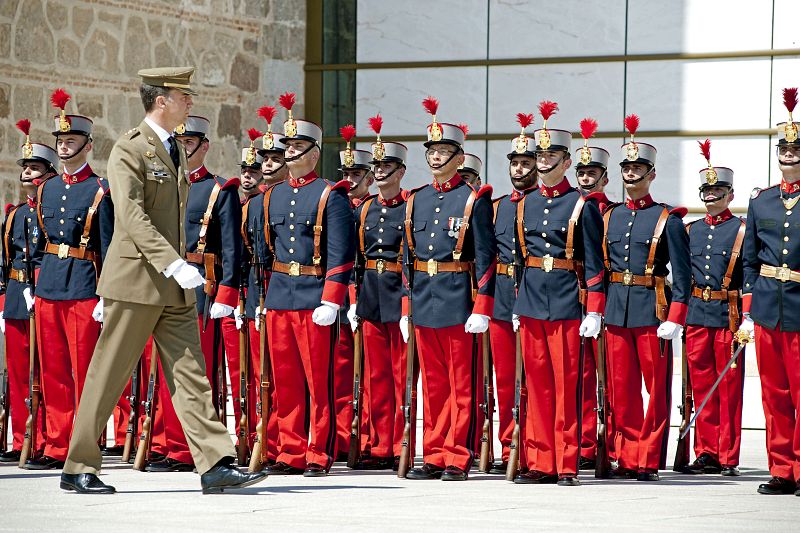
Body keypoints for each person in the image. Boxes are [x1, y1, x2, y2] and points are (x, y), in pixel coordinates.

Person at [60, 66, 266, 494]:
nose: (190, 102)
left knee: (191, 373)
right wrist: (173, 263)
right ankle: (78, 464)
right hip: (137, 280)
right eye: (182, 95)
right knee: (108, 374)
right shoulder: (129, 149)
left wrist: (176, 270)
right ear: (160, 100)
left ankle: (215, 463)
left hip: (173, 285)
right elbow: (131, 216)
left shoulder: (173, 148)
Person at [511, 103, 605, 486]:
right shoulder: (525, 204)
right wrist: (517, 303)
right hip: (532, 300)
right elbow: (519, 258)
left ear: (567, 162)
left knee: (567, 384)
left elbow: (596, 264)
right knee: (536, 386)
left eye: (551, 156)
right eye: (540, 155)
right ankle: (539, 461)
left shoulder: (582, 205)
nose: (544, 162)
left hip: (568, 301)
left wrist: (594, 310)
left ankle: (566, 463)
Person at [402, 97, 496, 481]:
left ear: (460, 158)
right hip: (425, 299)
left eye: (444, 152)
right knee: (434, 386)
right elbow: (407, 258)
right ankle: (435, 453)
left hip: (459, 300)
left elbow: (487, 258)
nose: (436, 158)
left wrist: (482, 306)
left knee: (461, 385)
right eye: (432, 151)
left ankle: (458, 455)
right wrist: (408, 307)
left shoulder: (473, 200)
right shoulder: (417, 199)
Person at [262, 93, 354, 477]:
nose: (290, 154)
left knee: (320, 381)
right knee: (285, 381)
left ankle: (318, 451)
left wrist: (332, 300)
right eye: (288, 148)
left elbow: (340, 252)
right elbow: (267, 252)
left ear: (314, 154)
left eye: (298, 148)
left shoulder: (331, 196)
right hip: (281, 294)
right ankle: (290, 449)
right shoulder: (273, 196)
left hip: (315, 295)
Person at [602, 114, 691, 482]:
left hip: (652, 310)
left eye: (639, 168)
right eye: (627, 168)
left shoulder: (666, 218)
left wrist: (676, 316)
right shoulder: (610, 215)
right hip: (615, 310)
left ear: (651, 174)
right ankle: (626, 455)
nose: (632, 174)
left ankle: (648, 458)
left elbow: (683, 276)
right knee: (621, 390)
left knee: (655, 390)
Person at [33, 89, 114, 470]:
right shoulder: (46, 188)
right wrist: (34, 284)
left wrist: (105, 295)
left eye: (71, 141)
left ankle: (84, 443)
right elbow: (39, 242)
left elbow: (110, 246)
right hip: (49, 285)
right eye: (60, 141)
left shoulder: (100, 190)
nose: (64, 148)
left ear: (88, 146)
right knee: (52, 370)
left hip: (84, 286)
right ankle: (55, 443)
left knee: (84, 371)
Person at [741, 87, 800, 496]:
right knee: (774, 395)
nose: (789, 154)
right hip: (766, 308)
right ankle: (782, 469)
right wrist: (748, 311)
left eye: (796, 149)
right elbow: (748, 261)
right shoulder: (760, 201)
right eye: (784, 148)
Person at [348, 115, 409, 470]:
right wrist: (355, 301)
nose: (381, 171)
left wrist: (405, 305)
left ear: (400, 171)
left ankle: (400, 442)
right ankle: (377, 443)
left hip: (396, 293)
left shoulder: (409, 206)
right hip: (370, 292)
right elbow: (356, 259)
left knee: (401, 375)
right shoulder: (366, 208)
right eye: (377, 166)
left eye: (387, 166)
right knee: (375, 376)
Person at [682, 139, 744, 477]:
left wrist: (747, 317)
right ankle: (705, 451)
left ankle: (727, 454)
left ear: (730, 195)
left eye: (717, 191)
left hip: (727, 318)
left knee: (729, 388)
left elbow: (747, 276)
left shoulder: (741, 231)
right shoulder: (691, 231)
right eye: (706, 191)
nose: (710, 196)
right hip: (697, 315)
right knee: (701, 385)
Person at [0, 122, 59, 464]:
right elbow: (4, 259)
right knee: (20, 373)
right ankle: (22, 436)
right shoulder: (14, 215)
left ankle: (45, 440)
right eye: (25, 168)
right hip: (16, 299)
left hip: (41, 293)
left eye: (34, 167)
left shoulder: (47, 213)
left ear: (47, 174)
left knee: (46, 374)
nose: (27, 173)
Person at [487, 112, 538, 474]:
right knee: (505, 379)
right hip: (503, 299)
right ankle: (508, 444)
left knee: (535, 379)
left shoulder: (546, 204)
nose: (519, 169)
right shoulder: (499, 207)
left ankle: (534, 444)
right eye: (515, 163)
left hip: (537, 297)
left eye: (526, 162)